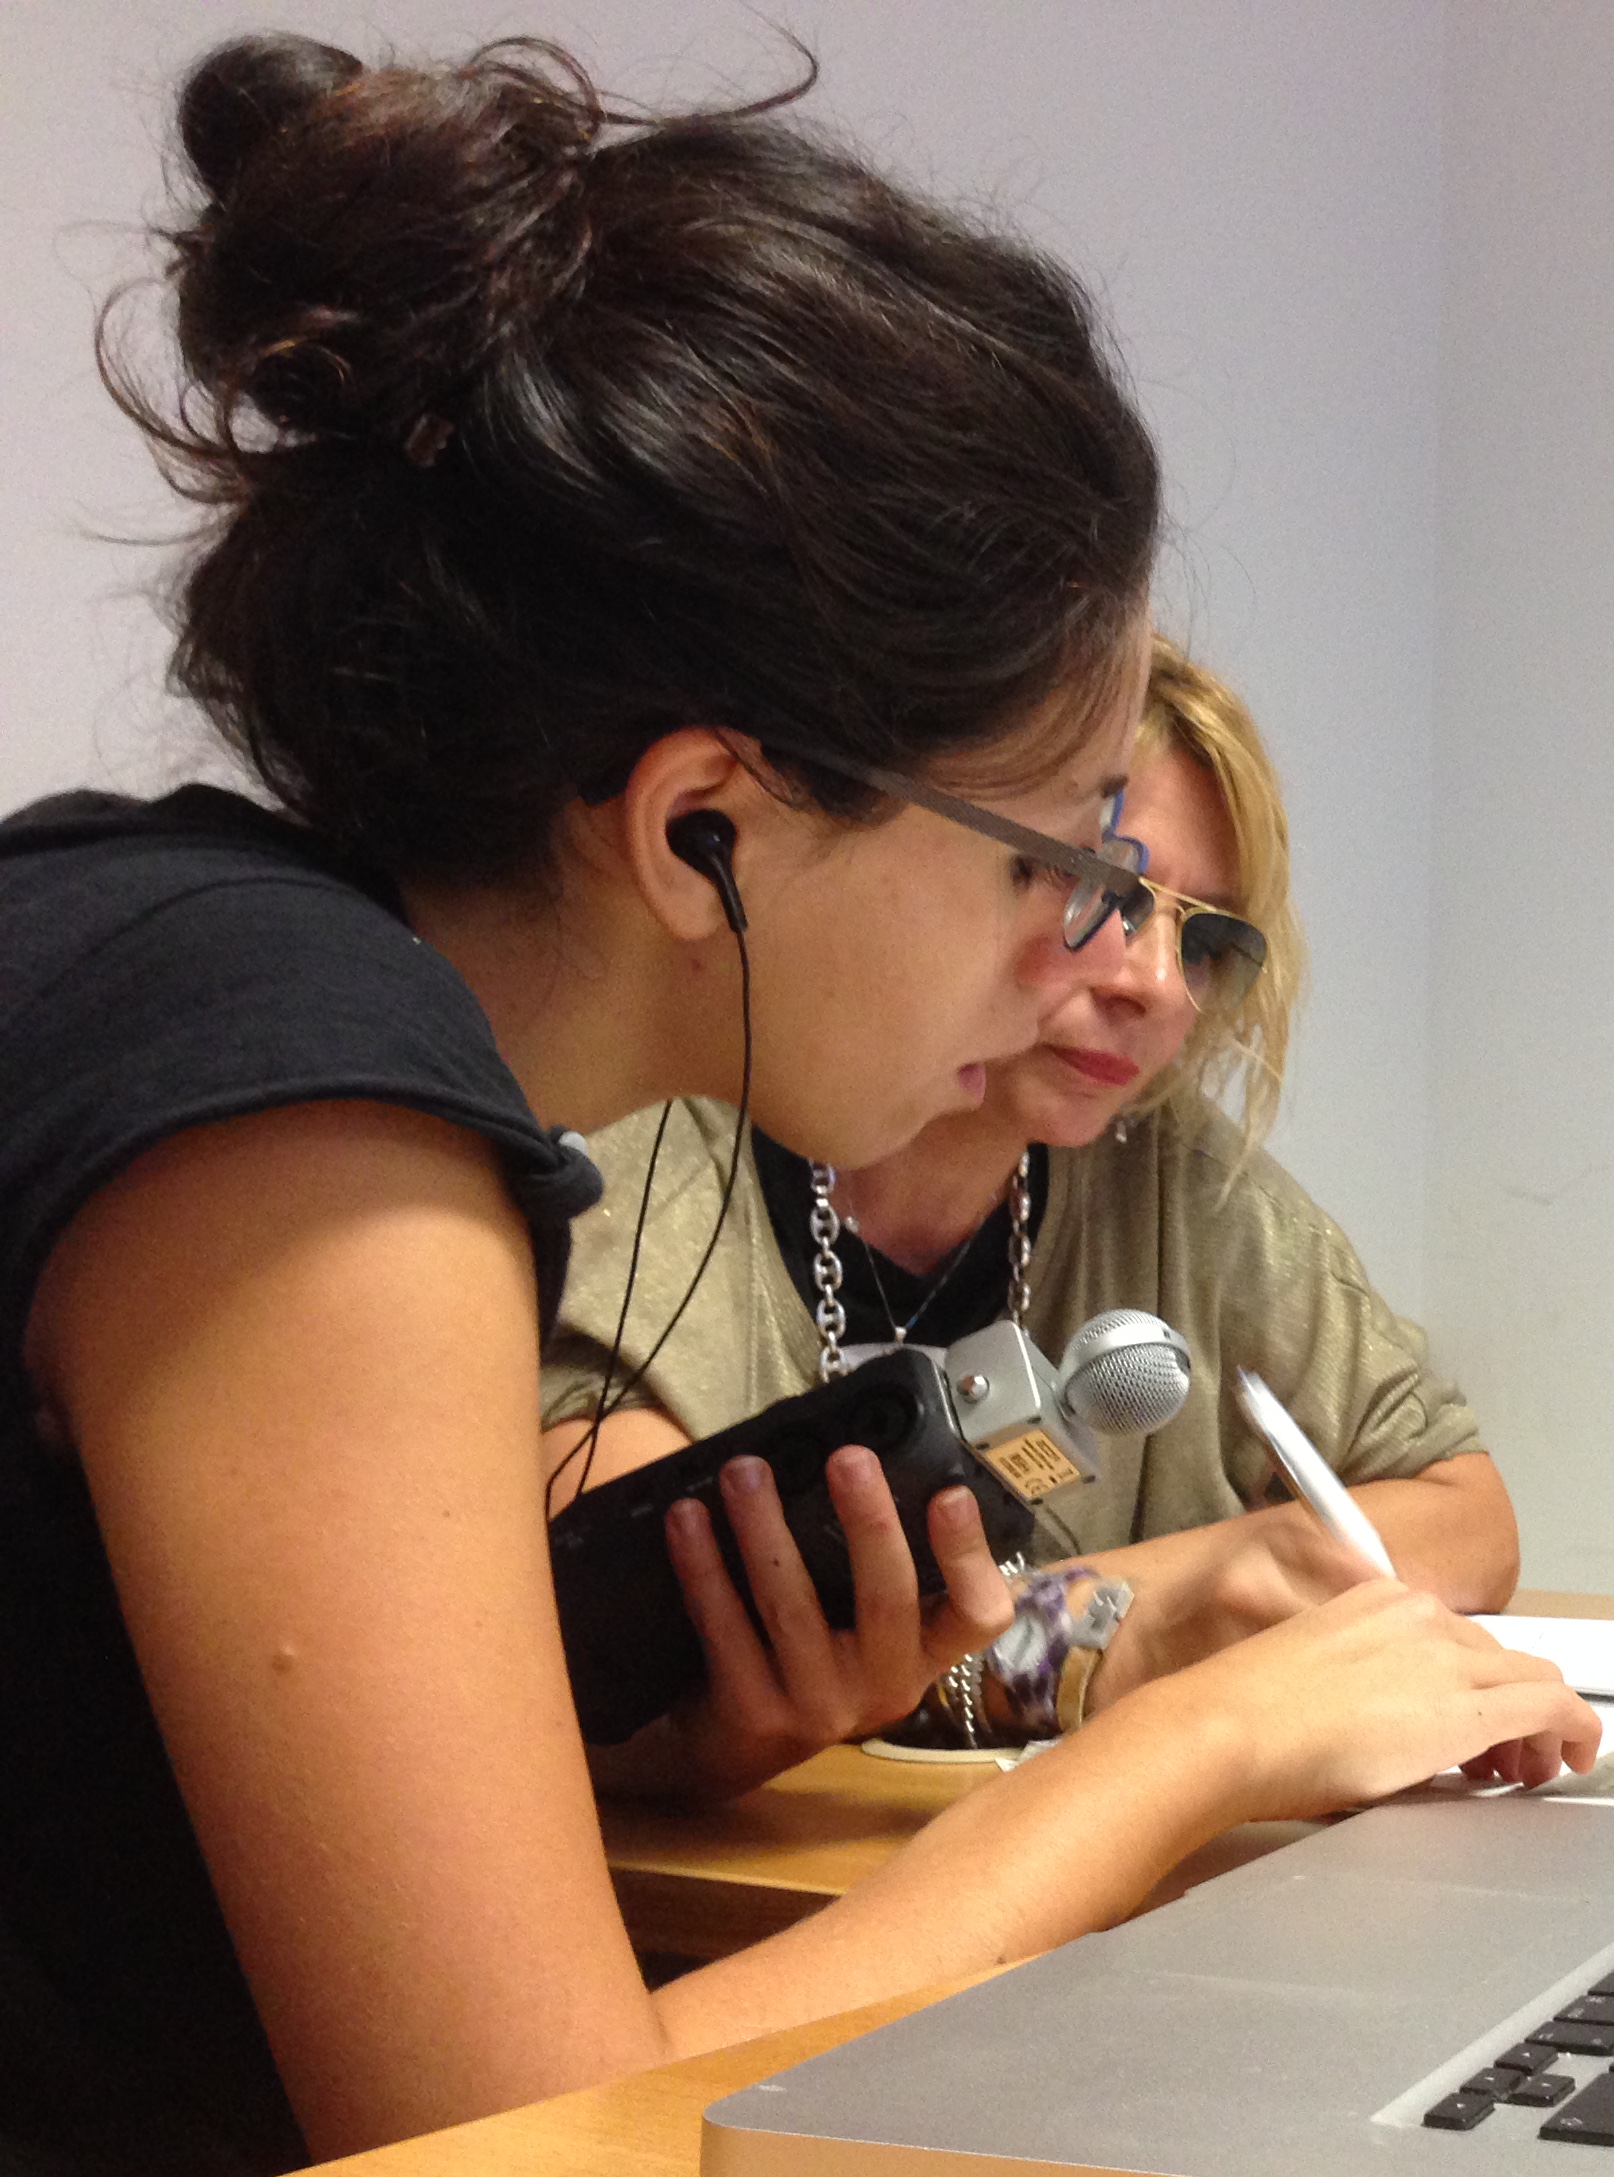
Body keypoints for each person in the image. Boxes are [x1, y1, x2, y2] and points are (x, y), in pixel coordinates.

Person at [0, 34, 1593, 2177]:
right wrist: (1194, 1752)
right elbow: (512, 2162)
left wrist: (638, 1726)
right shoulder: (304, 1115)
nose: (1079, 964)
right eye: (1046, 858)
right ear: (702, 828)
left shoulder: (180, 949)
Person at [544, 639, 1518, 1793]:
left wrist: (1195, 1579)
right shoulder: (662, 1140)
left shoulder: (1170, 1172)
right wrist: (1103, 1636)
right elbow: (632, 1631)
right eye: (1103, 888)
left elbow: (1470, 1514)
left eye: (1203, 939)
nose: (1154, 983)